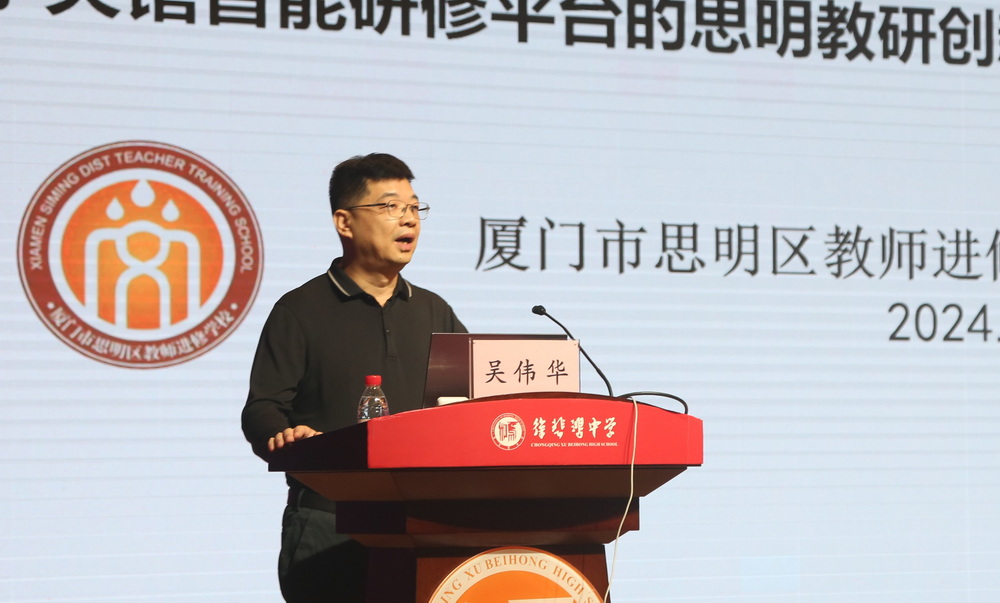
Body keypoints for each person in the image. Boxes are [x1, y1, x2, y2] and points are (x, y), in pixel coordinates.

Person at [241, 153, 467, 602]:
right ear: (344, 222)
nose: (408, 219)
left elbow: (469, 399)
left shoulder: (433, 310)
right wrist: (284, 436)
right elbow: (262, 407)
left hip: (422, 522)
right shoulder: (301, 310)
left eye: (414, 207)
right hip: (329, 521)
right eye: (390, 206)